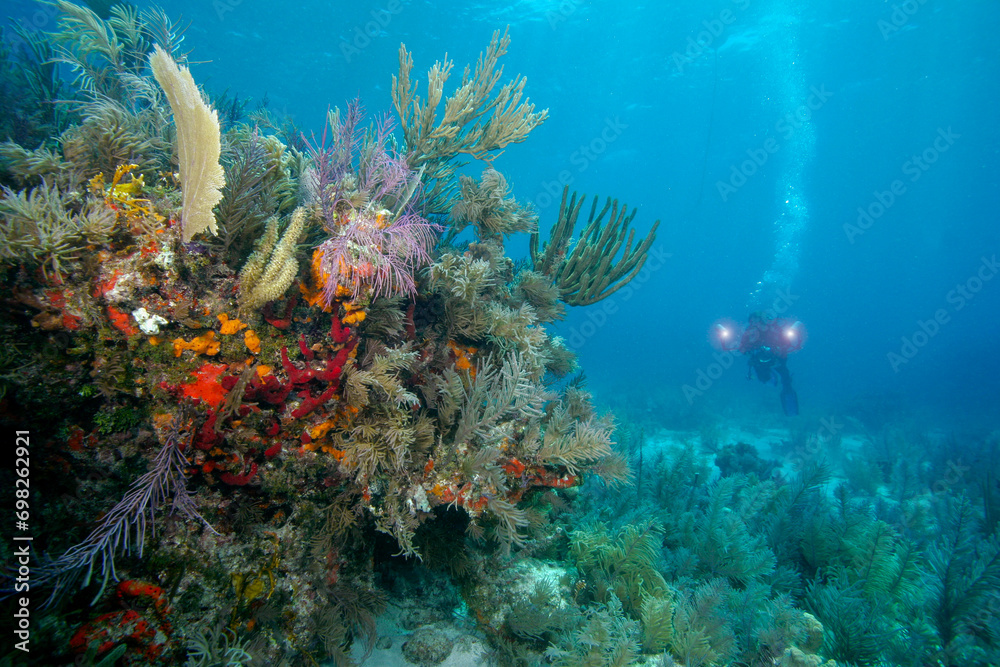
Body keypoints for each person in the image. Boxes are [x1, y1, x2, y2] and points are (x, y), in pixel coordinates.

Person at [723, 312, 804, 415]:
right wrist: (749, 351)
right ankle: (773, 381)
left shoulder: (774, 331)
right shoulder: (749, 333)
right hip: (759, 363)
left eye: (758, 321)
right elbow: (743, 348)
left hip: (776, 361)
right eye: (753, 321)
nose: (756, 324)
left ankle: (791, 409)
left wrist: (778, 350)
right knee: (764, 379)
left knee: (786, 381)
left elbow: (786, 344)